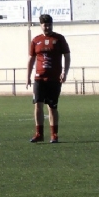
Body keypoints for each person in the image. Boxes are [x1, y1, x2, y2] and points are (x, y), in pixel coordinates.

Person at [26, 14, 70, 143]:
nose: (47, 27)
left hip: (54, 79)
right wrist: (28, 76)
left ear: (52, 24)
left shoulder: (59, 39)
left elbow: (67, 56)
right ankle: (39, 134)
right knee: (38, 105)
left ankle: (54, 135)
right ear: (41, 25)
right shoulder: (35, 40)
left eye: (49, 24)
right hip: (39, 78)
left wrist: (64, 72)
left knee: (52, 107)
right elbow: (31, 59)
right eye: (45, 25)